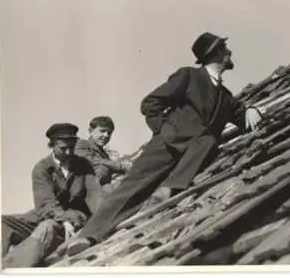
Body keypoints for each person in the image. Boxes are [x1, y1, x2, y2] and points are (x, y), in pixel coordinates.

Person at [66, 32, 262, 256]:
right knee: (129, 190)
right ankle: (87, 237)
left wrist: (251, 109)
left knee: (208, 140)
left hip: (192, 156)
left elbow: (242, 117)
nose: (230, 53)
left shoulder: (226, 97)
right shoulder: (188, 76)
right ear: (215, 53)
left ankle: (168, 189)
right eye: (225, 49)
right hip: (166, 145)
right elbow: (150, 103)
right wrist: (165, 130)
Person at [0, 123, 103, 268]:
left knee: (47, 227)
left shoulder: (83, 164)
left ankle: (10, 269)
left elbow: (94, 194)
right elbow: (45, 203)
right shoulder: (41, 168)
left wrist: (100, 219)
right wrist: (64, 220)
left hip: (74, 216)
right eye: (63, 148)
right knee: (2, 223)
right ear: (52, 145)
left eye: (71, 148)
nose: (68, 152)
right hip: (48, 214)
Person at [74, 116, 131, 190]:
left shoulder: (104, 155)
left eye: (109, 133)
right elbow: (88, 160)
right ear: (90, 131)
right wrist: (118, 166)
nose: (106, 135)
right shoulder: (82, 144)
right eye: (102, 131)